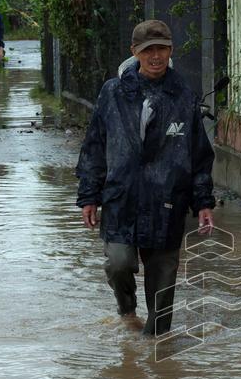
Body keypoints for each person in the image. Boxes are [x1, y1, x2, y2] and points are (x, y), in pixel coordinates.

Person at [76, 20, 216, 336]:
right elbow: (94, 146)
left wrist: (204, 202)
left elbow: (199, 156)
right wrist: (89, 195)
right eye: (148, 50)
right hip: (121, 198)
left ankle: (158, 346)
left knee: (163, 283)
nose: (156, 57)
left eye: (161, 49)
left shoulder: (183, 97)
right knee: (118, 262)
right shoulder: (113, 93)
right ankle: (127, 311)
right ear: (135, 53)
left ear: (170, 50)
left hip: (167, 203)